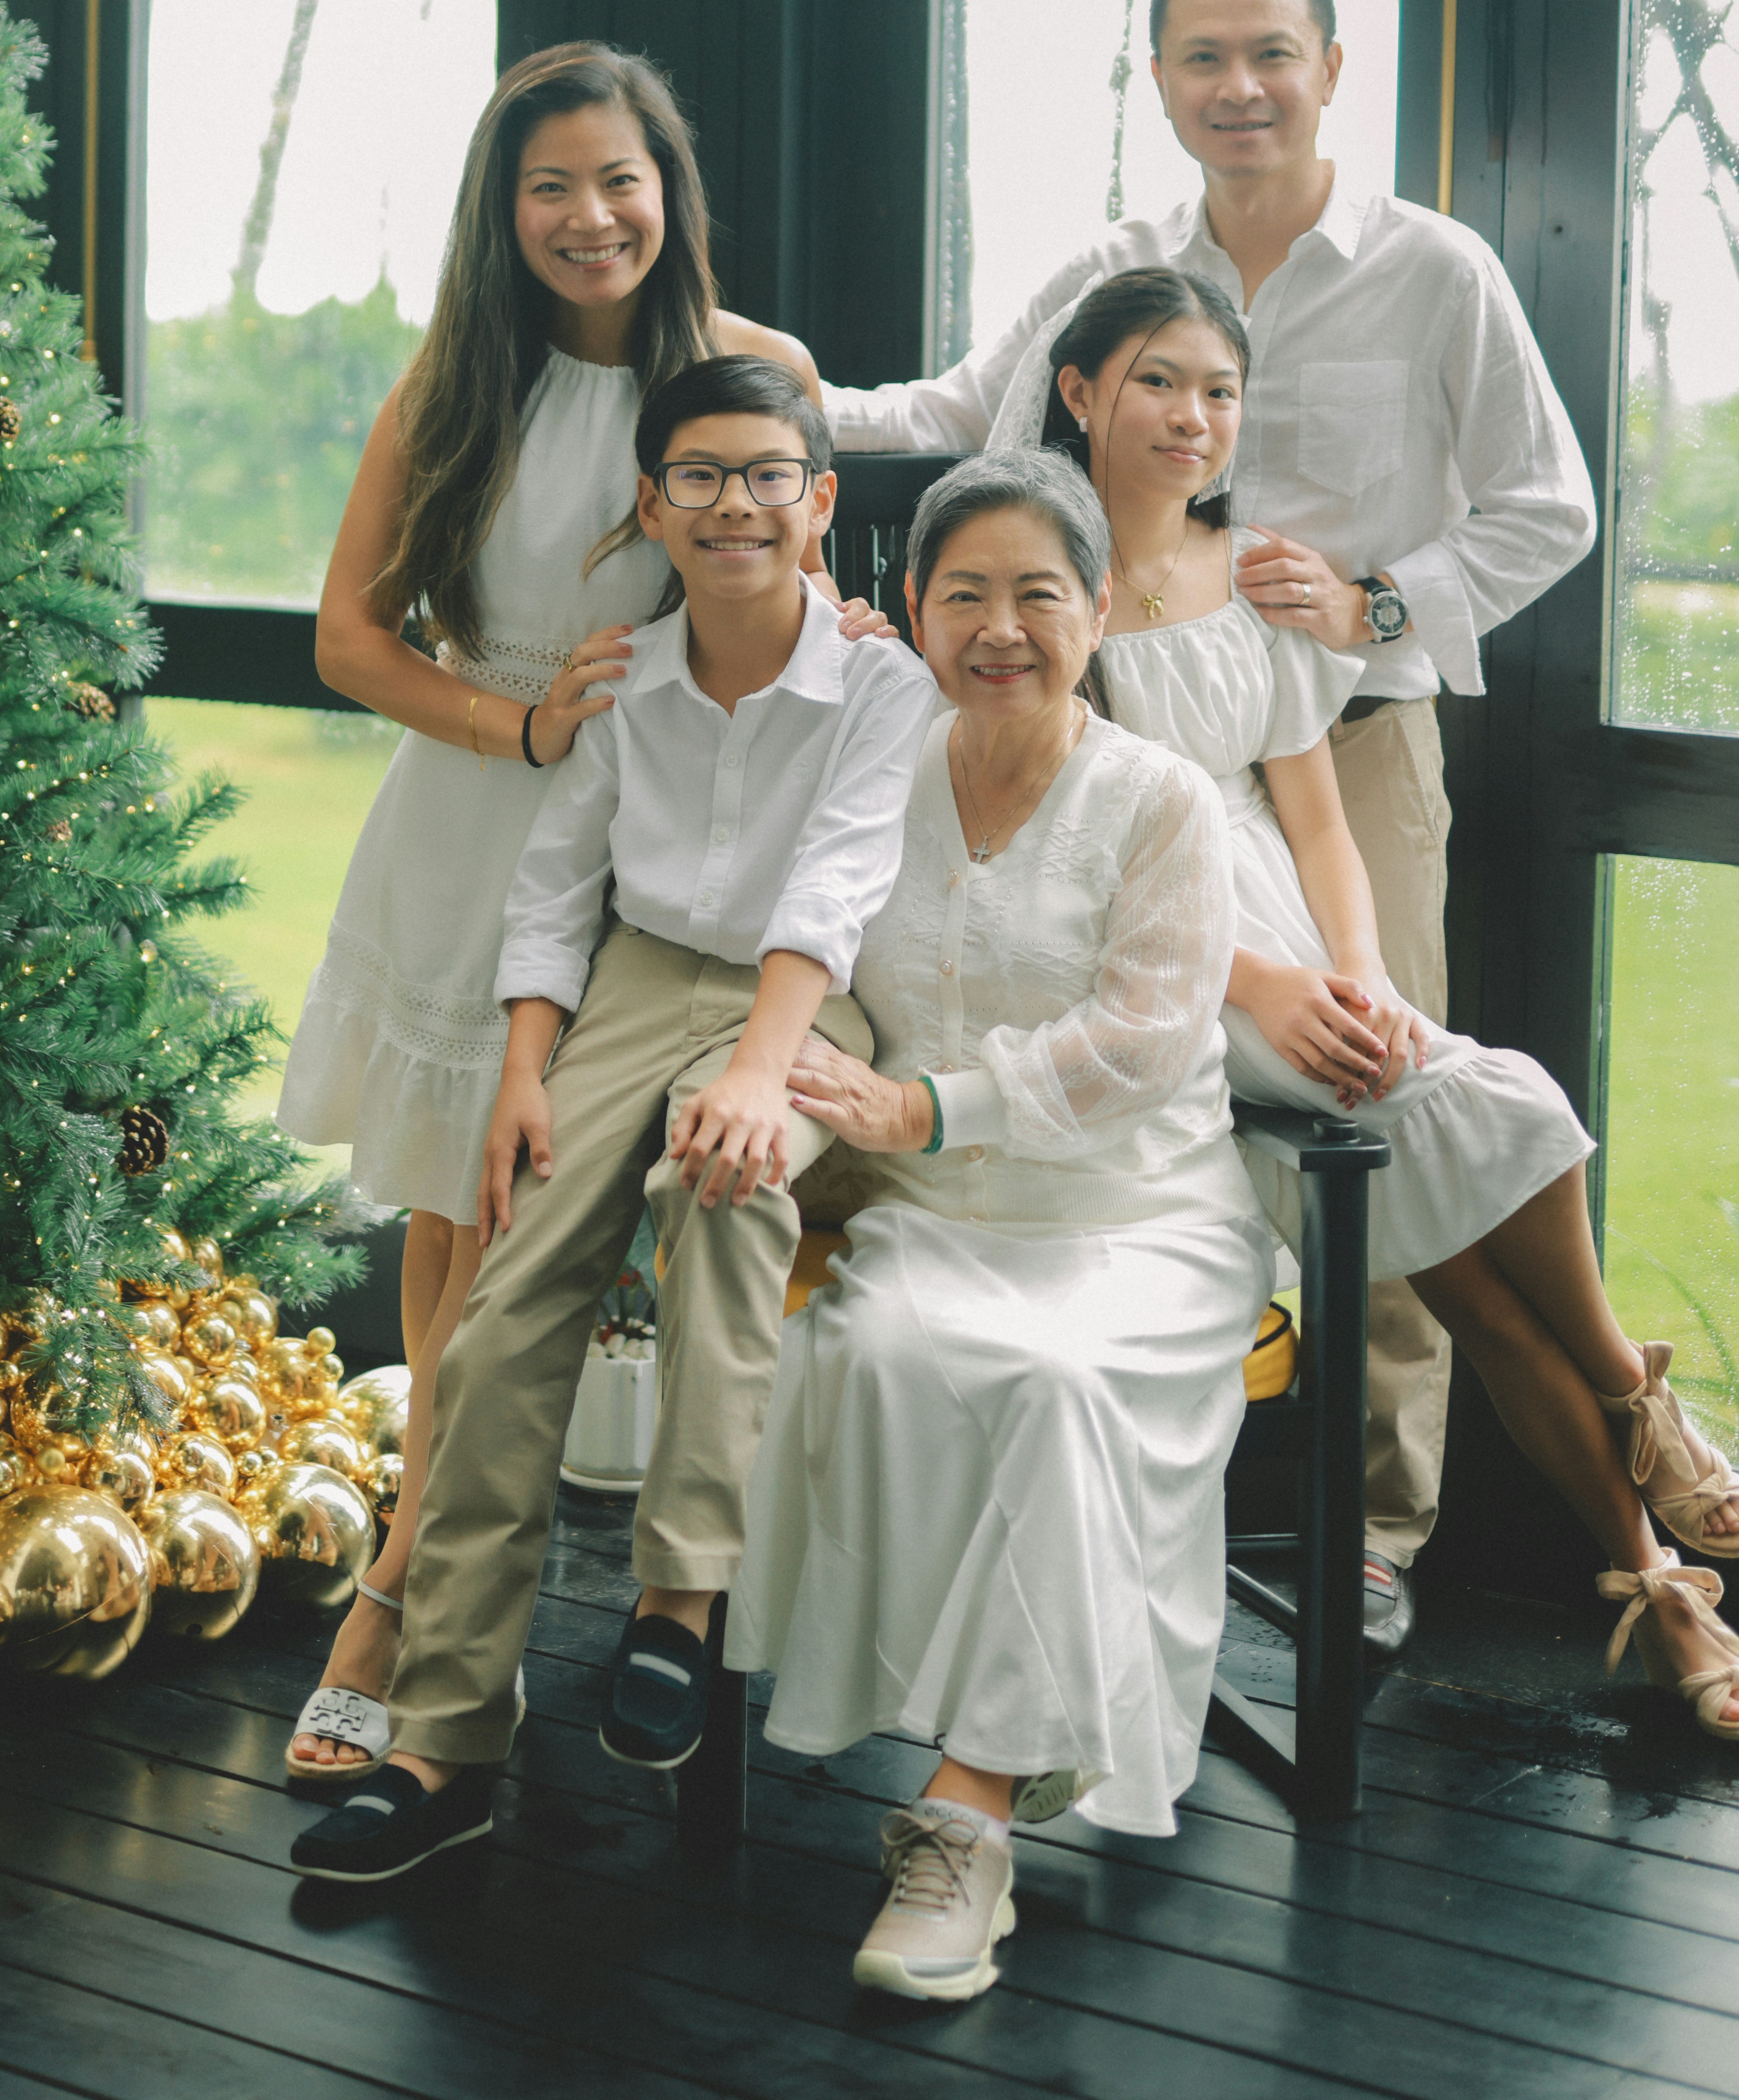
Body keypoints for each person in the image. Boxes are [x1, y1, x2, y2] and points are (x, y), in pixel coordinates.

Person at [822, 0, 1599, 1639]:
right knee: (1283, 1108)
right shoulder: (1116, 266)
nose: (1238, 89)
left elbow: (1550, 505)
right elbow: (960, 407)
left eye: (1271, 54)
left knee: (1389, 1092)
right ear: (1160, 79)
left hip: (1334, 746)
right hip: (1116, 746)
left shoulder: (1435, 268)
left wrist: (1381, 597)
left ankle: (1379, 1530)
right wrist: (778, 403)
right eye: (1201, 59)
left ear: (1330, 68)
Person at [1016, 266, 1739, 1739]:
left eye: (1221, 391)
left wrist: (1358, 974)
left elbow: (1325, 823)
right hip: (1151, 958)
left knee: (1468, 1271)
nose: (1194, 417)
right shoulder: (1039, 583)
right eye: (1159, 381)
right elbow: (1064, 848)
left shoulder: (1259, 580)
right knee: (1512, 1102)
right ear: (1082, 390)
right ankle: (1640, 1402)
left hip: (1284, 921)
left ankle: (1653, 1580)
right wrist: (1263, 982)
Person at [289, 354, 936, 1881]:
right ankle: (446, 1743)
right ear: (654, 503)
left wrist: (760, 1076)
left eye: (768, 475)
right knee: (505, 1307)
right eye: (698, 478)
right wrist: (525, 1068)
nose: (734, 506)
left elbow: (837, 890)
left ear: (820, 499)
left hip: (798, 991)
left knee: (730, 1184)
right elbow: (553, 890)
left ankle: (678, 1600)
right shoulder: (627, 676)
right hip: (632, 980)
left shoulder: (878, 683)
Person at [278, 44, 819, 1779]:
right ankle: (403, 1604)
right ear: (502, 216)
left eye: (620, 181)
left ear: (671, 190)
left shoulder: (758, 377)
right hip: (470, 821)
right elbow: (348, 641)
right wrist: (515, 722)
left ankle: (491, 1602)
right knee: (459, 1233)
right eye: (550, 189)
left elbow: (801, 597)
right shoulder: (456, 379)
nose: (592, 218)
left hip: (664, 861)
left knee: (544, 1248)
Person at [730, 448, 1277, 2003]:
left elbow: (1148, 1043)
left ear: (1101, 608)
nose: (1001, 626)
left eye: (1040, 591)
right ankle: (1001, 1739)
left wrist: (925, 1106)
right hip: (931, 1213)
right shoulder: (879, 784)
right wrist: (797, 1084)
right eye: (962, 592)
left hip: (1137, 1218)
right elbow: (810, 954)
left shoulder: (1162, 799)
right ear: (911, 610)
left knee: (1052, 1385)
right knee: (874, 1351)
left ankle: (966, 1819)